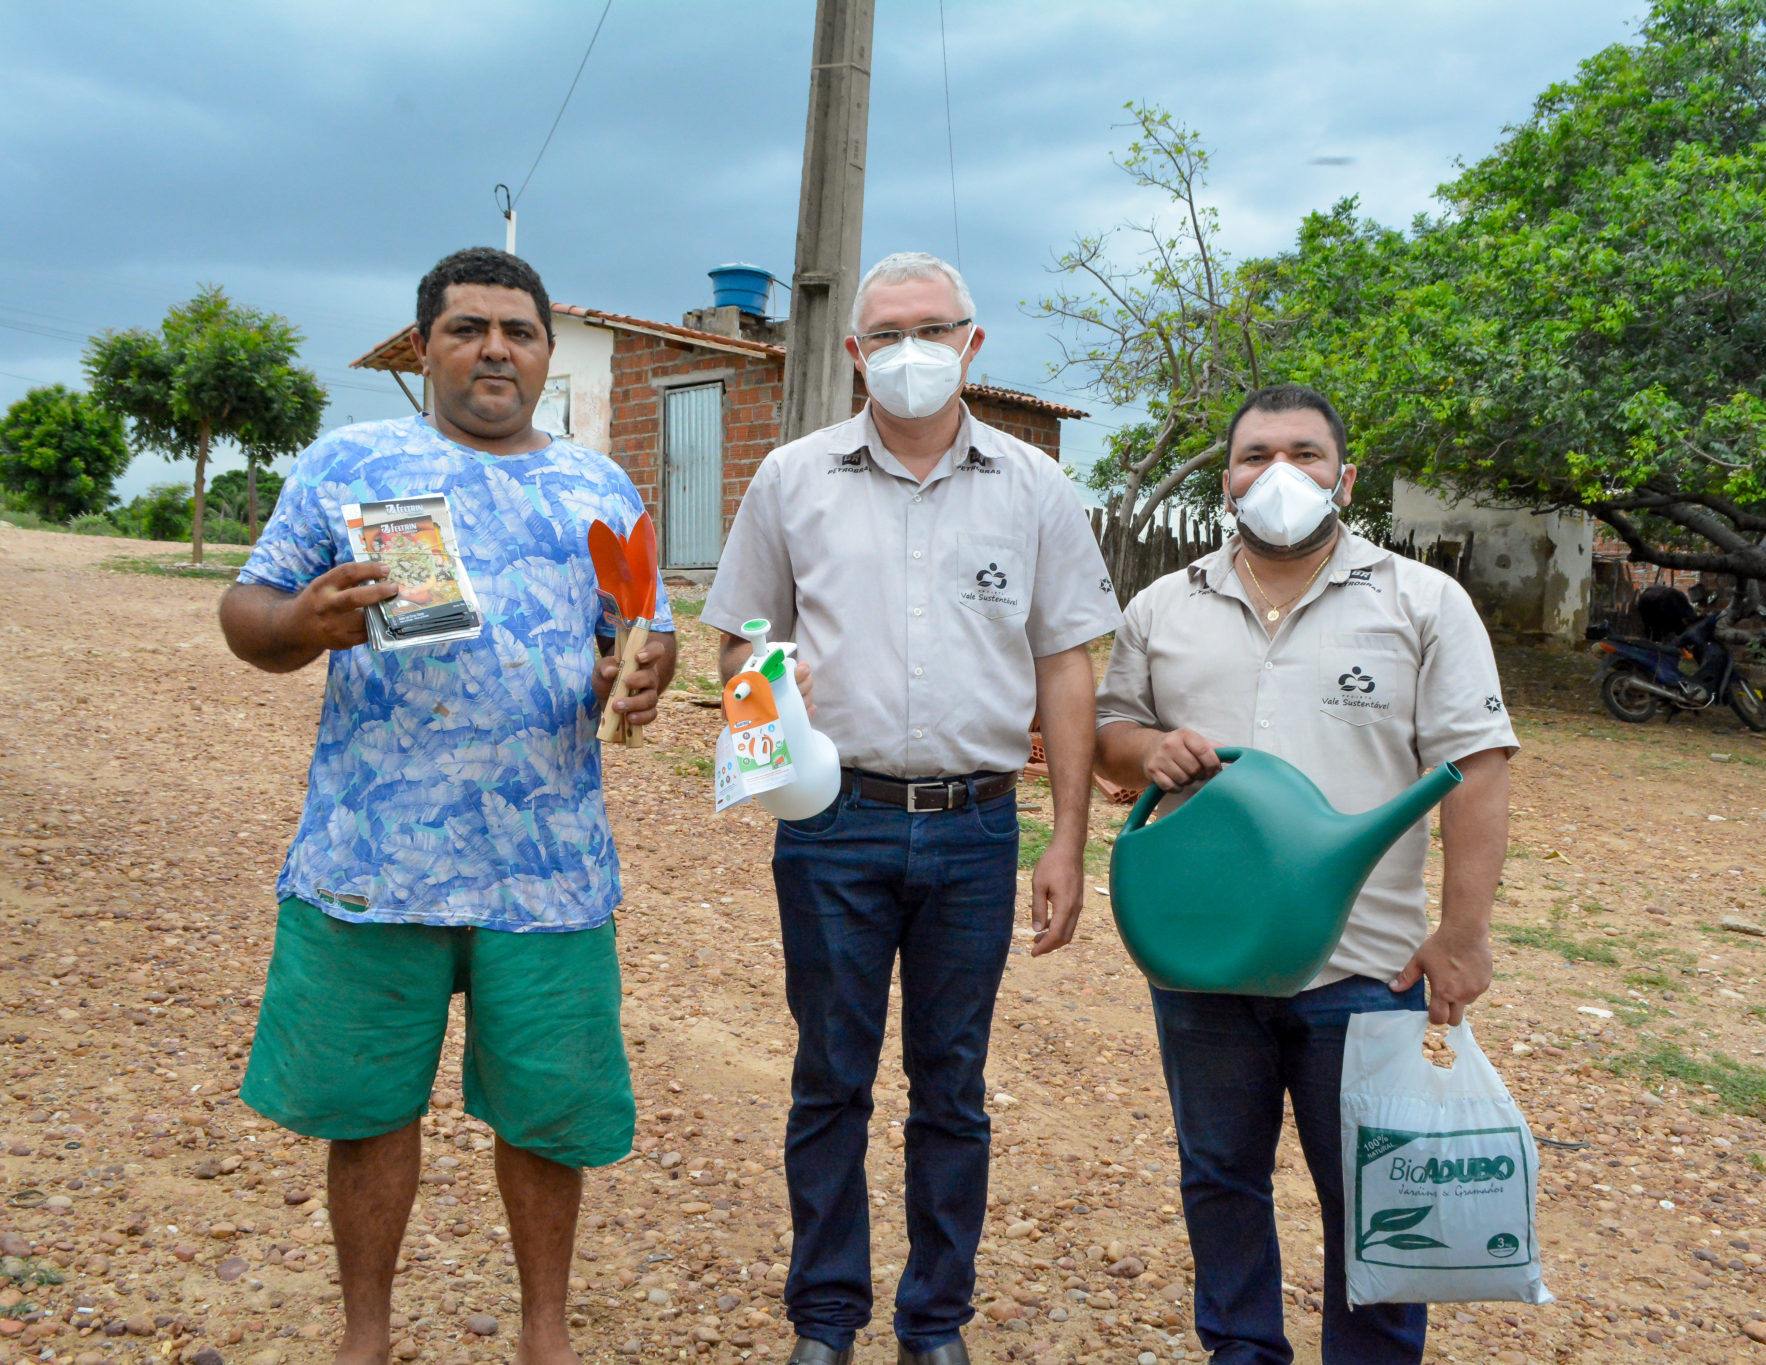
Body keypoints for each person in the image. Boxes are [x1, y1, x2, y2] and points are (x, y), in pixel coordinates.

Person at [218, 246, 677, 1365]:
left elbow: (639, 629)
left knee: (547, 1116)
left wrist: (646, 667)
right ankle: (363, 1339)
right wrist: (298, 628)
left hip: (549, 865)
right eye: (467, 328)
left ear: (545, 353)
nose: (493, 350)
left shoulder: (598, 487)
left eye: (516, 332)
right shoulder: (348, 464)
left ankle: (544, 1337)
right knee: (369, 1108)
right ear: (423, 344)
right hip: (373, 860)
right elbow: (247, 610)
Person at [701, 252, 1121, 1365]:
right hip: (833, 825)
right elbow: (745, 632)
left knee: (952, 1087)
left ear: (972, 343)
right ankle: (825, 1318)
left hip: (977, 829)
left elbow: (1066, 666)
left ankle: (934, 1323)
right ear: (851, 353)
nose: (908, 352)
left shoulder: (1035, 490)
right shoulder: (791, 479)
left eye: (930, 330)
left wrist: (1067, 839)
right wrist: (766, 746)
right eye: (884, 333)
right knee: (830, 1078)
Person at [1094, 384, 1516, 1365]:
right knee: (1218, 1180)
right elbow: (1108, 738)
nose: (1276, 475)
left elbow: (1476, 768)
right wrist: (1146, 750)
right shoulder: (1163, 607)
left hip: (1365, 970)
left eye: (1303, 454)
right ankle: (1240, 1351)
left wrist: (1461, 934)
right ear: (1226, 476)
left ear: (1344, 476)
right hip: (1202, 958)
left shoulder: (1421, 602)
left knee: (1375, 1198)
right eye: (1252, 456)